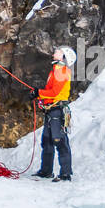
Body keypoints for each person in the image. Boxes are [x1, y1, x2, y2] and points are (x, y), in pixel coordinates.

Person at [33, 45, 75, 182]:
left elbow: (55, 93)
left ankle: (65, 174)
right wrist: (38, 96)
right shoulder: (55, 70)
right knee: (47, 141)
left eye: (59, 51)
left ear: (64, 57)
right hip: (52, 110)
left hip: (57, 111)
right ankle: (46, 171)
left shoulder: (62, 71)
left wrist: (38, 92)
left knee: (60, 141)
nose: (55, 51)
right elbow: (50, 91)